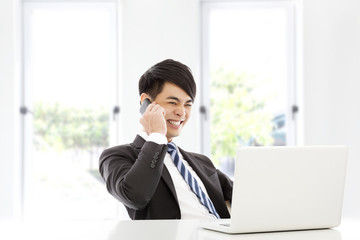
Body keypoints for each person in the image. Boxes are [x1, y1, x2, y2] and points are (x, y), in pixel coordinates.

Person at [99, 59, 233, 220]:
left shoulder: (202, 162)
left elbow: (248, 197)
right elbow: (136, 196)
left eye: (187, 105)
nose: (181, 112)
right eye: (172, 102)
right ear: (146, 102)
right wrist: (157, 136)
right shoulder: (116, 156)